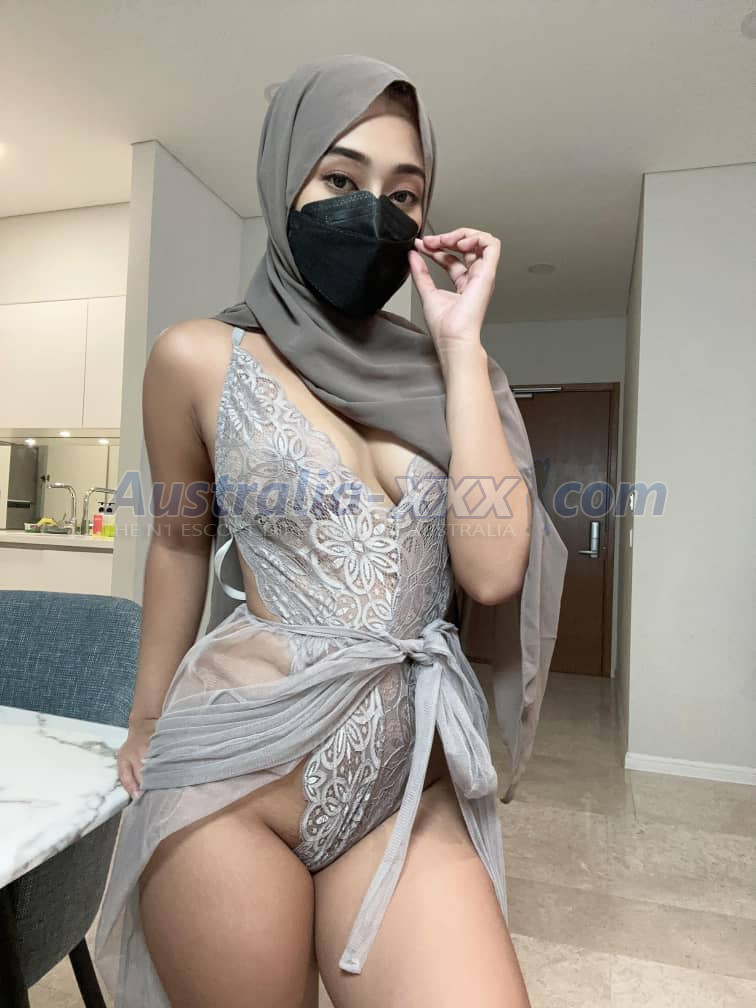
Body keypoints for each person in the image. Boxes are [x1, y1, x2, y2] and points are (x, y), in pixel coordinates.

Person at [94, 54, 567, 1008]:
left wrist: (460, 346)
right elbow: (180, 541)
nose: (373, 213)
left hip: (405, 787)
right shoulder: (195, 357)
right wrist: (145, 718)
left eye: (404, 194)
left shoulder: (455, 376)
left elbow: (491, 572)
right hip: (236, 778)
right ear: (285, 184)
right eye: (340, 180)